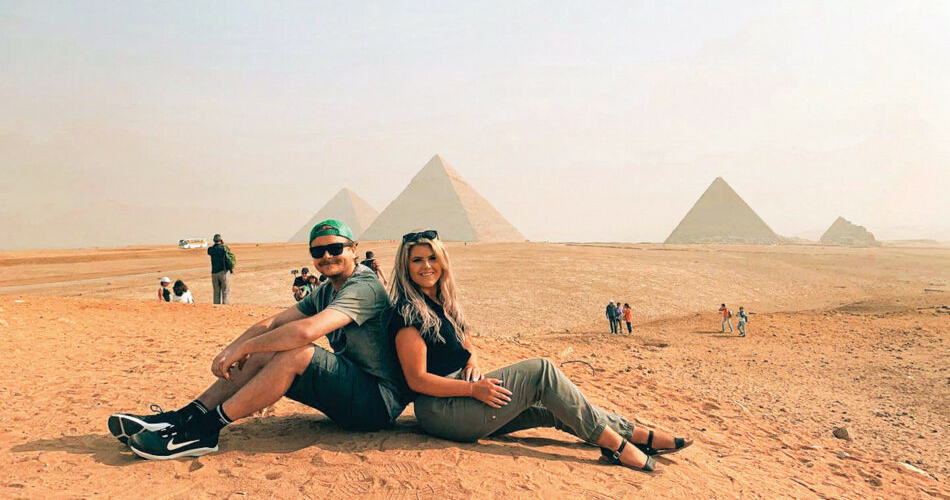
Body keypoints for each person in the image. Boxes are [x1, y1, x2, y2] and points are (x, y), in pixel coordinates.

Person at [389, 230, 692, 473]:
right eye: (417, 260)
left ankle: (636, 434)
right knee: (541, 371)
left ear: (442, 262)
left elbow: (464, 341)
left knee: (555, 408)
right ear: (406, 266)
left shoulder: (442, 304)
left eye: (431, 258)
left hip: (462, 400)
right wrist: (472, 389)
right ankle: (616, 445)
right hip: (441, 411)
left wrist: (473, 361)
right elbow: (417, 380)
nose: (426, 266)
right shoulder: (407, 313)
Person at [110, 219, 411, 460]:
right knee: (271, 347)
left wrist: (246, 347)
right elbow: (274, 322)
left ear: (353, 249)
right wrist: (232, 349)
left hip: (377, 403)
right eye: (317, 252)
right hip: (352, 391)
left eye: (335, 248)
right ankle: (183, 418)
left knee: (297, 352)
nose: (326, 256)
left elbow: (306, 331)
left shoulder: (365, 285)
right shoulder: (328, 288)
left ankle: (206, 430)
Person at [207, 234, 233, 305]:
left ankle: (216, 306)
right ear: (220, 240)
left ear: (213, 240)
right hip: (223, 271)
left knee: (216, 291)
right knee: (225, 291)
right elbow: (229, 254)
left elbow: (210, 251)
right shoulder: (224, 248)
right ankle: (225, 306)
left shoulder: (210, 249)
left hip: (214, 273)